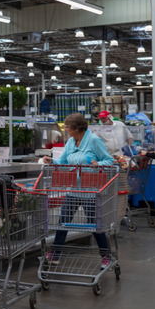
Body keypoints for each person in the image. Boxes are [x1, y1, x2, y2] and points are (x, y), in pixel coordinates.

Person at [42, 113, 114, 267]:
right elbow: (63, 163)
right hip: (73, 189)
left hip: (90, 191)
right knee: (63, 222)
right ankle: (55, 254)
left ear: (77, 128)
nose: (65, 129)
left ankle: (106, 257)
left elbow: (109, 161)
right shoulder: (70, 142)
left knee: (95, 225)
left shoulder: (94, 141)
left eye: (67, 127)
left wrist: (98, 164)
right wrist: (52, 161)